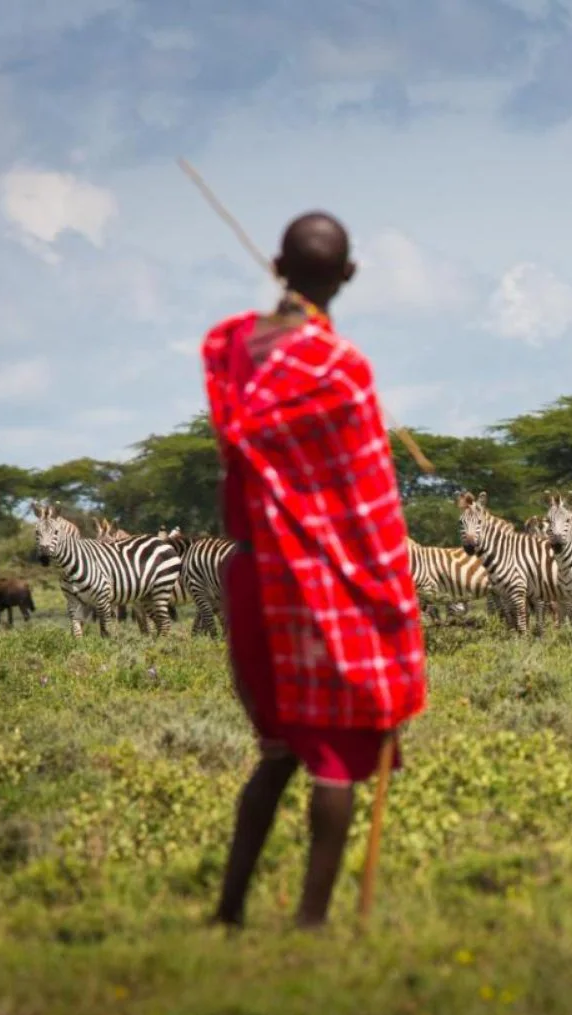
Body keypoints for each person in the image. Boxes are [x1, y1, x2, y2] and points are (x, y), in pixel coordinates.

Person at [202, 211, 428, 930]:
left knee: (276, 750)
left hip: (251, 573)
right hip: (319, 577)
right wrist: (391, 589)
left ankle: (229, 913)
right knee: (332, 753)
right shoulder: (340, 367)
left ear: (276, 266)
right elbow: (367, 502)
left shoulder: (237, 347)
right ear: (350, 274)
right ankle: (309, 923)